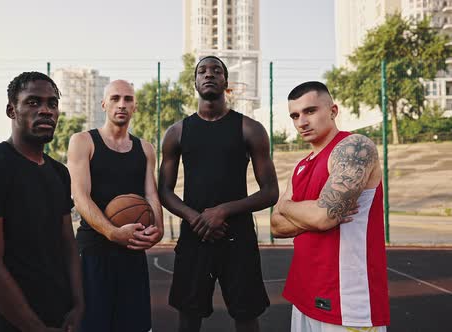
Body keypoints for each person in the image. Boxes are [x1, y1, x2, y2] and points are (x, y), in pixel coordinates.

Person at [158, 56, 279, 332]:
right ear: (195, 82)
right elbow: (164, 190)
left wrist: (222, 211)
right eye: (202, 70)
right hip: (194, 235)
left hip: (237, 237)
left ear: (226, 82)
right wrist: (194, 217)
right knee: (188, 316)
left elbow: (271, 192)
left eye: (216, 71)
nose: (209, 74)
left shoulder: (250, 128)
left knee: (246, 314)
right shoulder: (176, 132)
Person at [0, 72, 84, 332]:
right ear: (11, 110)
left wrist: (78, 305)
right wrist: (35, 328)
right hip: (8, 322)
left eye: (52, 103)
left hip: (59, 315)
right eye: (33, 102)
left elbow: (68, 244)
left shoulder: (59, 173)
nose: (46, 110)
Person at [271, 81, 390, 331]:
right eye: (295, 115)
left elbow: (323, 216)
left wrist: (289, 207)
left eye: (310, 111)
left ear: (333, 111)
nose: (301, 122)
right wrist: (311, 212)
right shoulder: (301, 165)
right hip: (303, 295)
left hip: (347, 301)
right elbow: (276, 226)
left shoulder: (354, 147)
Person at [67, 79, 164, 332]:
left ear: (135, 107)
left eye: (128, 99)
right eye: (115, 98)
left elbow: (151, 195)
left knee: (134, 326)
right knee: (93, 325)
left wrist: (159, 229)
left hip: (132, 251)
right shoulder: (83, 141)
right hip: (93, 252)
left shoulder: (145, 148)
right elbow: (80, 196)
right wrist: (112, 232)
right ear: (104, 104)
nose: (122, 104)